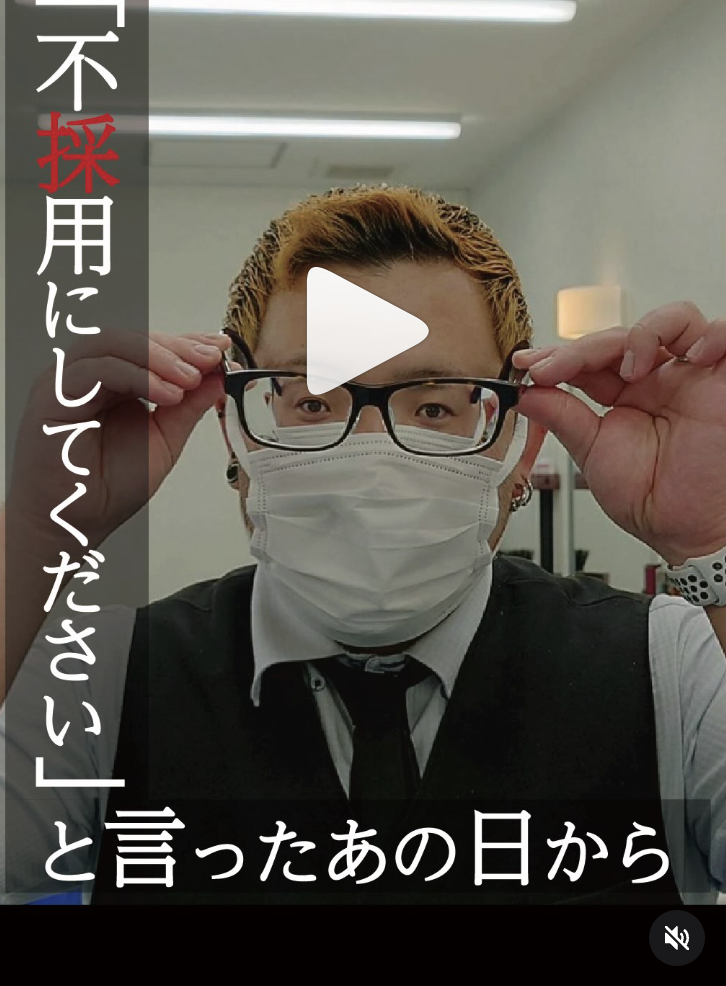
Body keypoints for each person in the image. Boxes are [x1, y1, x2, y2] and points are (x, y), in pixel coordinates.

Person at [1, 185, 725, 905]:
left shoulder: (672, 664)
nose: (373, 456)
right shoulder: (105, 678)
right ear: (239, 433)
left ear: (518, 442)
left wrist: (714, 538)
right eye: (315, 402)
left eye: (434, 406)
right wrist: (36, 534)